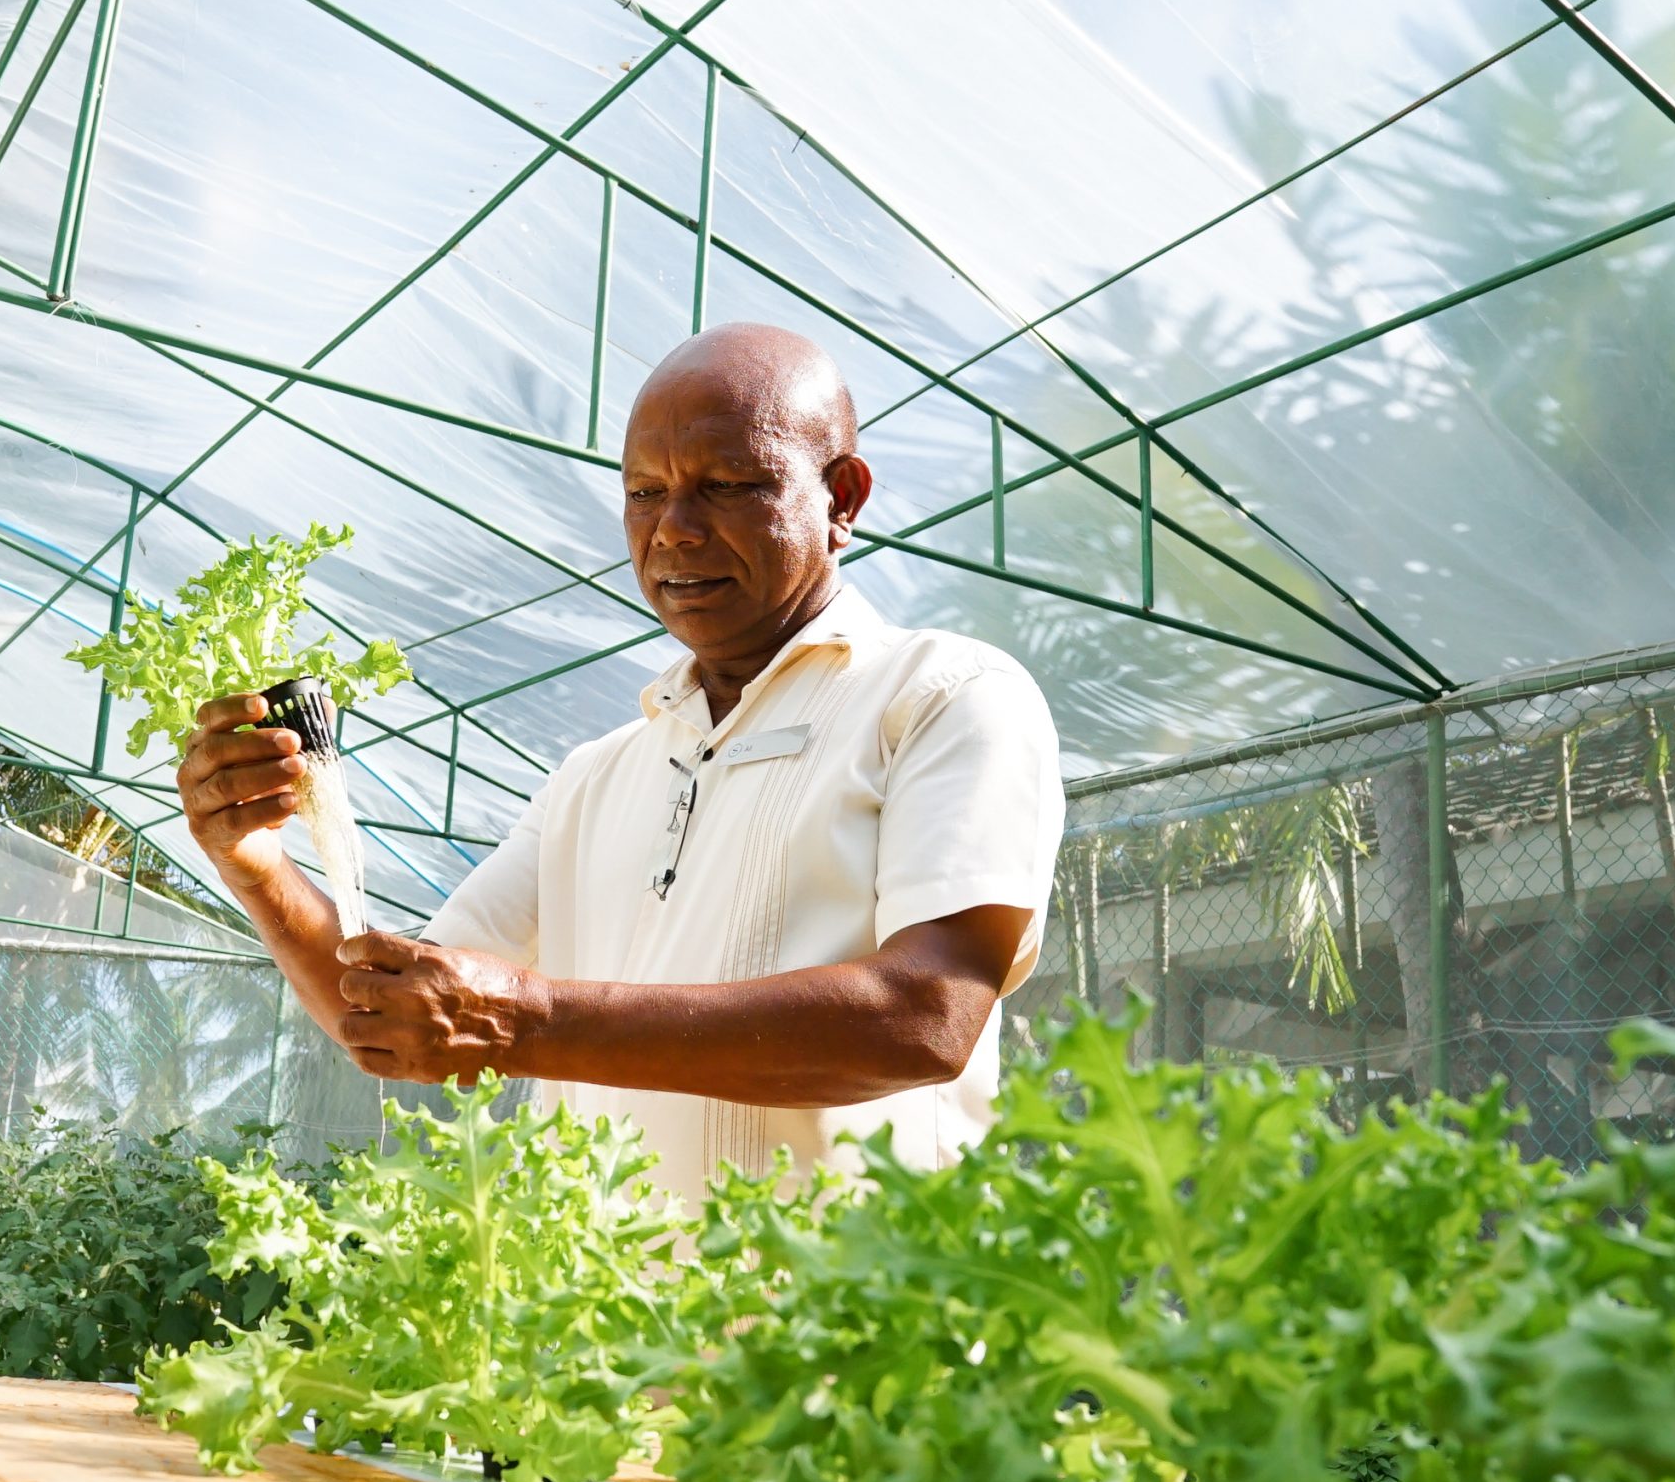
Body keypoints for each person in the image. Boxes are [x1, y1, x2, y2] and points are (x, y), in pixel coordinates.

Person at [175, 323, 1065, 1195]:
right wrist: (254, 866)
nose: (673, 529)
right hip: (612, 1338)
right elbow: (392, 1012)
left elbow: (926, 1017)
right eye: (644, 493)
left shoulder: (943, 697)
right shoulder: (594, 778)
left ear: (842, 498)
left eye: (726, 484)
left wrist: (530, 1020)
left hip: (847, 1335)